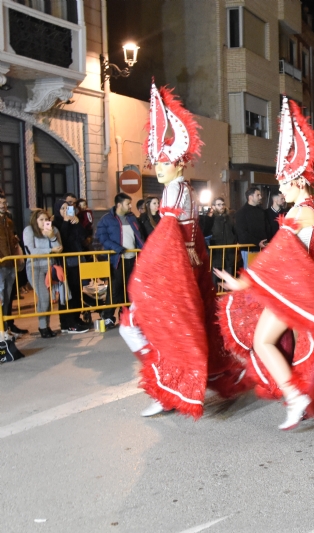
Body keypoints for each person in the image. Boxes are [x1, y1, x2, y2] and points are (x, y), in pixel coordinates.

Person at [216, 96, 314, 430]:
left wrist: (246, 282)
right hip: (303, 284)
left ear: (297, 180)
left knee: (264, 341)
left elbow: (279, 252)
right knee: (301, 345)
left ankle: (296, 397)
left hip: (296, 288)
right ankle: (302, 394)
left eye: (283, 182)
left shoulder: (303, 210)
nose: (280, 189)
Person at [119, 82, 246, 418]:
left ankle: (168, 388)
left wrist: (147, 275)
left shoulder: (175, 191)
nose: (156, 167)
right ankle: (176, 384)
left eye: (162, 162)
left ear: (177, 163)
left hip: (178, 275)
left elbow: (166, 237)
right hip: (183, 271)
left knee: (144, 324)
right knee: (177, 328)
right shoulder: (177, 190)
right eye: (155, 162)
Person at [96, 193, 143, 328]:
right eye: (128, 204)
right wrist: (117, 248)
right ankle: (108, 317)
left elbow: (138, 237)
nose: (130, 206)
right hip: (117, 259)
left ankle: (126, 315)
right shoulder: (106, 220)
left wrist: (144, 249)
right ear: (119, 204)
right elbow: (103, 238)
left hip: (132, 259)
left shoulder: (132, 218)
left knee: (130, 289)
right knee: (114, 289)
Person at [53, 200, 91, 333]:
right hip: (65, 261)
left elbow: (84, 236)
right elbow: (62, 238)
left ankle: (76, 318)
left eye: (67, 208)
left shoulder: (73, 221)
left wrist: (77, 222)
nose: (66, 211)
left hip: (77, 259)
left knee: (77, 290)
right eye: (62, 208)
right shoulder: (56, 223)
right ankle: (67, 322)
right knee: (67, 293)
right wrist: (64, 221)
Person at [23, 209, 62, 338]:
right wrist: (50, 250)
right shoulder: (29, 231)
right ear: (35, 220)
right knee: (44, 297)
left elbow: (59, 248)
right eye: (41, 220)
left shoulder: (53, 230)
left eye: (47, 219)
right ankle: (42, 326)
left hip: (50, 267)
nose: (45, 222)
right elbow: (31, 250)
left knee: (48, 298)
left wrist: (52, 237)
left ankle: (46, 325)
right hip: (35, 267)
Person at [0, 196, 25, 335]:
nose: (3, 205)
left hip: (10, 263)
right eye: (0, 203)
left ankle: (7, 326)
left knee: (8, 297)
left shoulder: (8, 222)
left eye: (4, 203)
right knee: (1, 297)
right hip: (1, 264)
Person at [207, 197, 237, 284]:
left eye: (223, 204)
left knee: (229, 279)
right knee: (215, 280)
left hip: (229, 253)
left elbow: (234, 231)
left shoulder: (229, 218)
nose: (222, 206)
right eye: (219, 205)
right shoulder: (211, 219)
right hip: (216, 253)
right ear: (213, 206)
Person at [235, 187, 269, 262]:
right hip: (249, 249)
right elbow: (242, 233)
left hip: (263, 248)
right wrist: (257, 242)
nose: (260, 197)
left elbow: (266, 227)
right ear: (250, 197)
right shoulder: (241, 212)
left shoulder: (261, 211)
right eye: (258, 195)